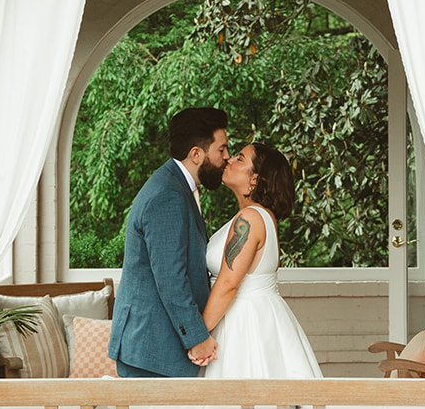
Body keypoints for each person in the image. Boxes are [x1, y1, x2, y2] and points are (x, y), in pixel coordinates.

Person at [108, 106, 230, 378]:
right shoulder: (168, 195)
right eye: (221, 150)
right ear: (196, 154)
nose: (227, 157)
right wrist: (197, 339)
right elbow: (171, 279)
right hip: (152, 350)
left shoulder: (177, 187)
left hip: (158, 347)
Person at [201, 141, 322, 379]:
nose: (229, 160)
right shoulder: (259, 217)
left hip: (245, 323)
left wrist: (197, 336)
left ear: (255, 179)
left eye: (240, 158)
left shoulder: (250, 218)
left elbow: (228, 284)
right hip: (252, 315)